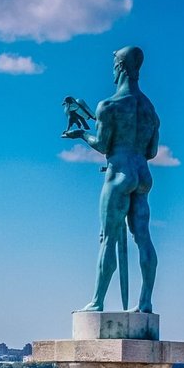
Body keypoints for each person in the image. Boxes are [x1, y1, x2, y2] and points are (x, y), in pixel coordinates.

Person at [62, 46, 161, 313]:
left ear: (120, 67)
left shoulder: (109, 105)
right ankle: (146, 301)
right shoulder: (151, 111)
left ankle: (97, 301)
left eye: (114, 65)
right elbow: (151, 152)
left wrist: (82, 135)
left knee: (107, 238)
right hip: (142, 175)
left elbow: (103, 144)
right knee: (143, 238)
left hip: (119, 174)